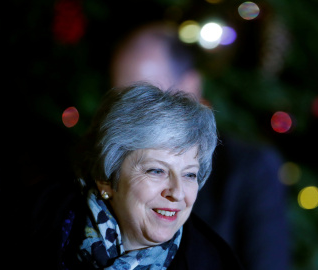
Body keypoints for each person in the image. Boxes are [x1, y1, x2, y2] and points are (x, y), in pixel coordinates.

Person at [110, 22, 291, 270]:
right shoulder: (103, 169)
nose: (130, 116)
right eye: (120, 101)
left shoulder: (250, 169)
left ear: (191, 86)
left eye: (148, 99)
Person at [26, 83, 244, 270]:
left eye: (189, 174)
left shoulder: (214, 263)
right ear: (107, 178)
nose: (177, 193)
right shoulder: (32, 220)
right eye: (156, 171)